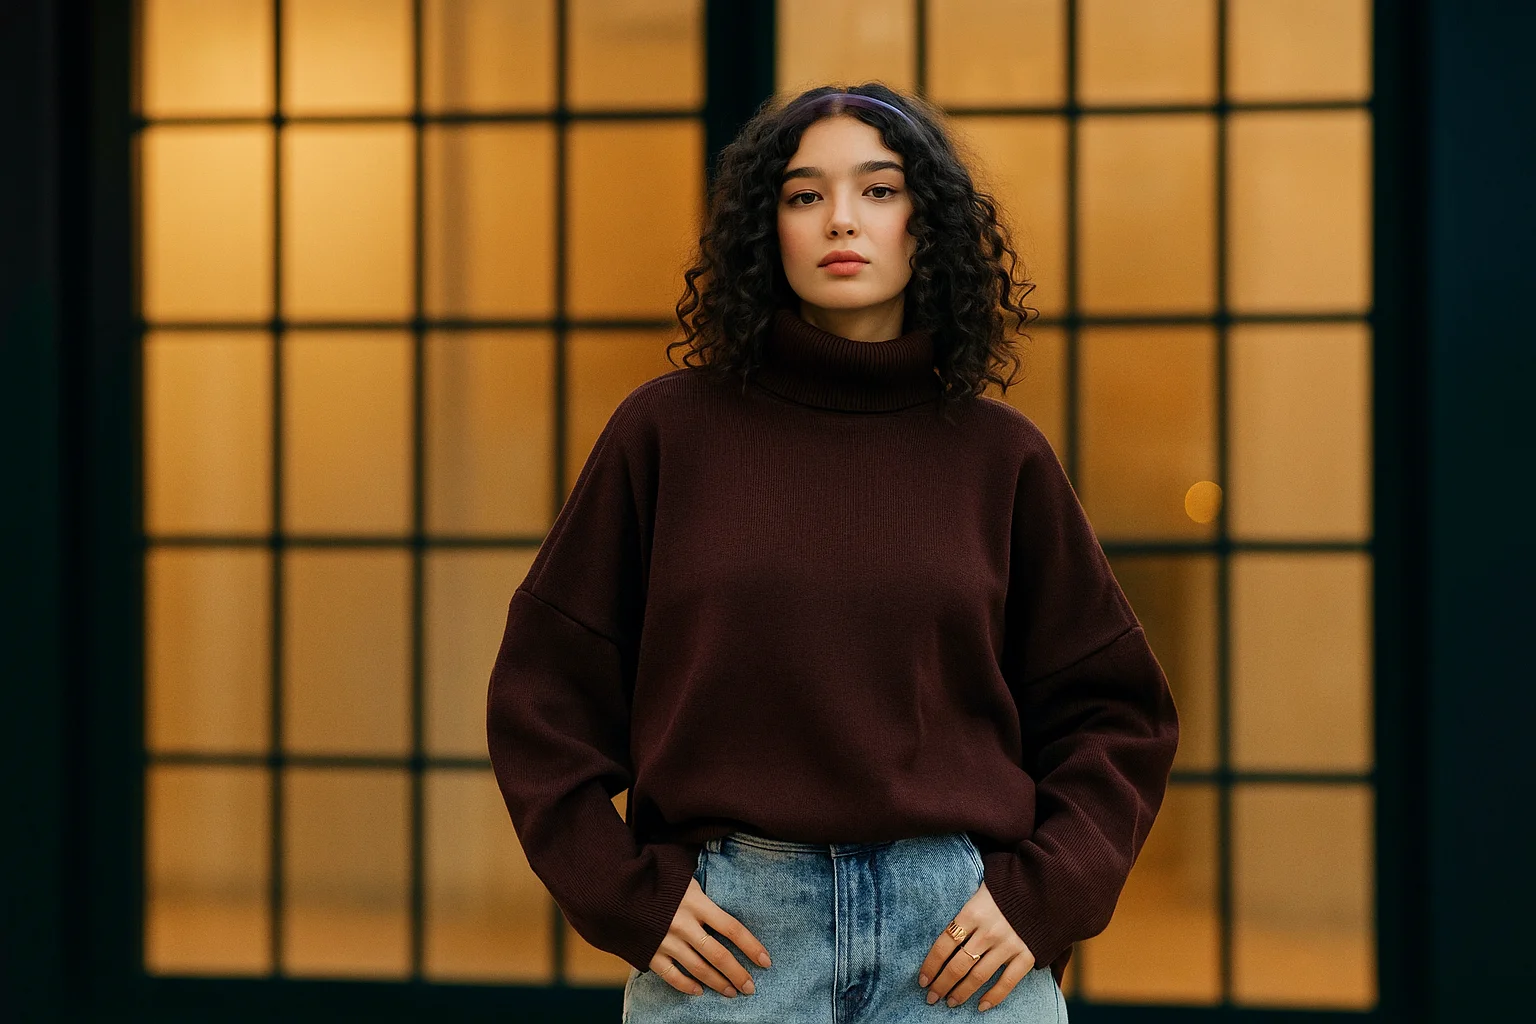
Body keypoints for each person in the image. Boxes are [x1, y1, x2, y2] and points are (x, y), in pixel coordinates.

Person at [486, 83, 1180, 1022]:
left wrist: (1044, 894)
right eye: (804, 195)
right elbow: (542, 697)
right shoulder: (665, 436)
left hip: (958, 951)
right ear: (765, 230)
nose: (841, 220)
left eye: (879, 190)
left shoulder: (998, 455)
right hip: (732, 951)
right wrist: (625, 894)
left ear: (925, 226)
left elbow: (1117, 715)